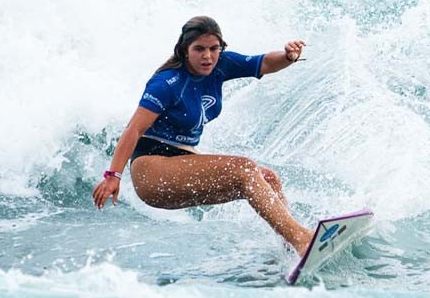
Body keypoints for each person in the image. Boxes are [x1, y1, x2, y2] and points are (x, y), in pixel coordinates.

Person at [92, 16, 314, 256]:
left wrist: (288, 57)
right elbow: (133, 129)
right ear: (185, 50)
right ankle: (302, 240)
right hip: (152, 171)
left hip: (181, 160)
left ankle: (292, 248)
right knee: (245, 168)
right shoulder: (166, 83)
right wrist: (113, 176)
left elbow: (264, 63)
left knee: (267, 178)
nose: (207, 56)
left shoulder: (221, 65)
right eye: (199, 49)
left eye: (213, 48)